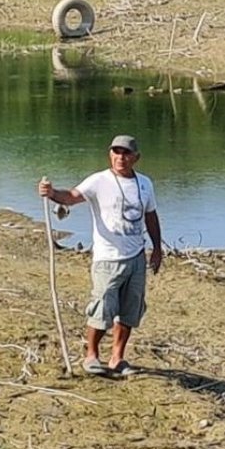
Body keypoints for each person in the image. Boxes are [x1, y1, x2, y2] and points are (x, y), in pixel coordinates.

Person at [38, 134, 163, 377]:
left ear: (136, 157)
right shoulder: (99, 181)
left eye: (126, 153)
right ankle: (92, 355)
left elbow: (151, 215)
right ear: (110, 155)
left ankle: (117, 357)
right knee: (102, 307)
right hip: (107, 258)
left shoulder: (145, 183)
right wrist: (52, 193)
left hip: (136, 256)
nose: (121, 157)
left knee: (130, 309)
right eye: (116, 152)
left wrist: (157, 249)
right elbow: (72, 197)